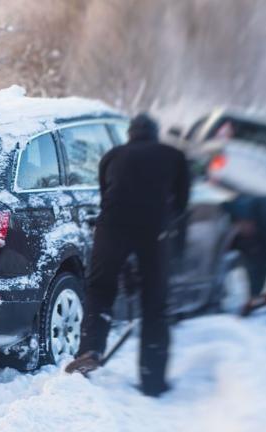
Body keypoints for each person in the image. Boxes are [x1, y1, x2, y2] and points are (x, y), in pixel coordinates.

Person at [65, 113, 190, 397]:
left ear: (130, 134)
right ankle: (153, 380)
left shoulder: (112, 155)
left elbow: (108, 193)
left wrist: (124, 266)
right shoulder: (173, 156)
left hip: (111, 228)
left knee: (100, 289)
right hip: (154, 230)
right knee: (154, 305)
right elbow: (181, 205)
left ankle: (91, 349)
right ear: (155, 134)